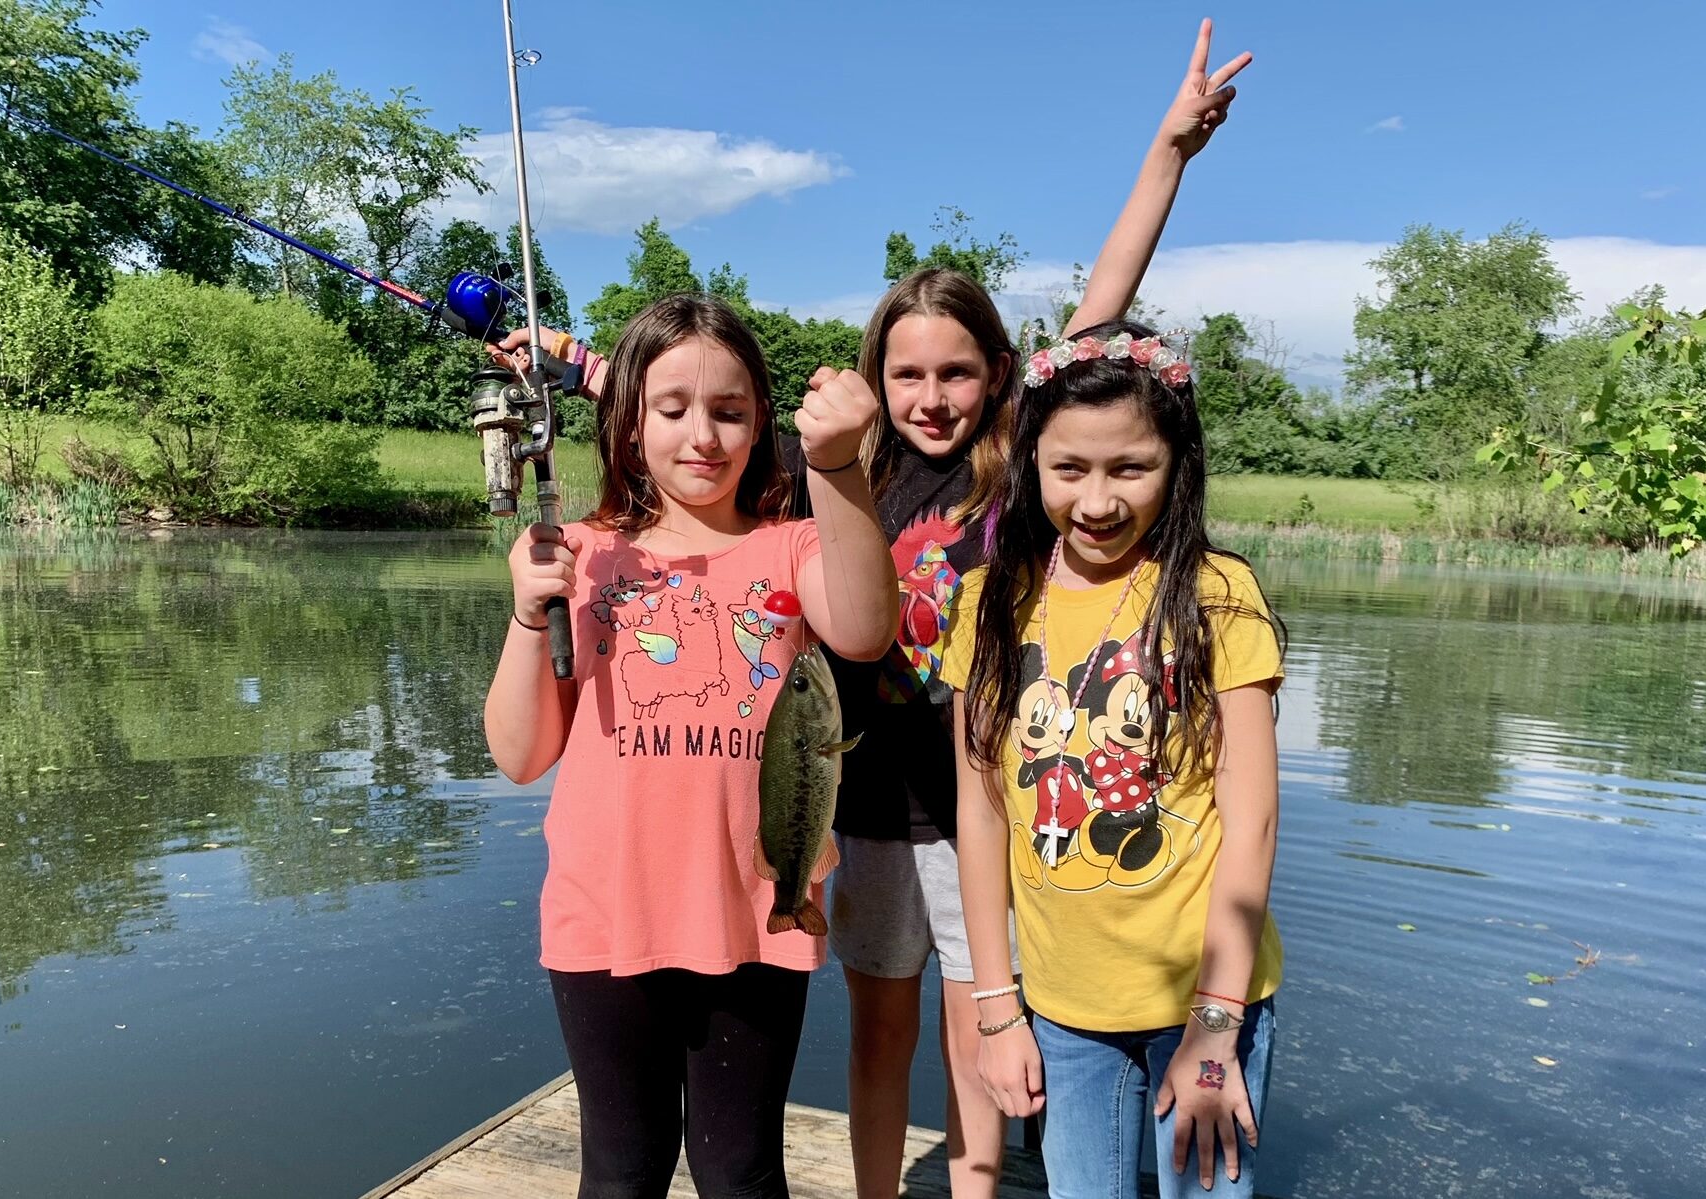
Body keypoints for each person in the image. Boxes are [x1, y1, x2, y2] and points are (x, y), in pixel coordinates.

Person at [774, 20, 1253, 1199]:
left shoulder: (1024, 466)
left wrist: (1170, 150)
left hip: (987, 802)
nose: (930, 396)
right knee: (879, 1027)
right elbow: (695, 436)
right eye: (906, 374)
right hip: (871, 795)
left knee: (982, 1025)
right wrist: (583, 366)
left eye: (956, 372)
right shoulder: (840, 474)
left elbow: (1105, 304)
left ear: (998, 372)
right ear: (876, 377)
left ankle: (979, 1187)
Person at [483, 293, 897, 1199]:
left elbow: (866, 629)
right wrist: (528, 611)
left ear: (761, 428)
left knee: (740, 1169)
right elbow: (519, 755)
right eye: (672, 409)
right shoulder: (581, 551)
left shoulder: (793, 547)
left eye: (730, 410)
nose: (702, 434)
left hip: (755, 910)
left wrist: (838, 468)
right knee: (622, 1169)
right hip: (604, 914)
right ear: (628, 425)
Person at [941, 318, 1287, 1199]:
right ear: (1031, 466)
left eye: (1131, 468)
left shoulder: (1217, 594)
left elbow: (1252, 820)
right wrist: (995, 1005)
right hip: (1062, 1010)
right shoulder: (989, 601)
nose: (1097, 501)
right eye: (1069, 470)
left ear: (1178, 466)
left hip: (1205, 1003)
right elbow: (980, 814)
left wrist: (1217, 1029)